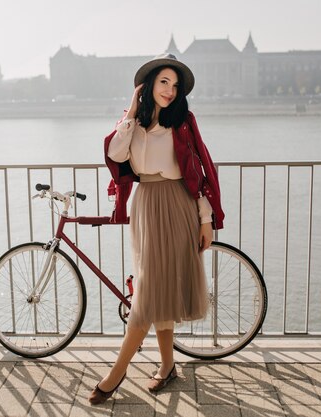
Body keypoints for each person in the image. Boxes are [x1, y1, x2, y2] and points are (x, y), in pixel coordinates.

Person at [89, 53, 225, 405]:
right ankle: (167, 366)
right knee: (156, 290)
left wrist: (206, 219)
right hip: (147, 205)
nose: (170, 90)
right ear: (148, 85)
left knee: (148, 294)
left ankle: (115, 375)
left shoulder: (183, 122)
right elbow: (116, 155)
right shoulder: (132, 123)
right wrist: (132, 112)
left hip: (178, 206)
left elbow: (197, 174)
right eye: (164, 82)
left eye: (175, 85)